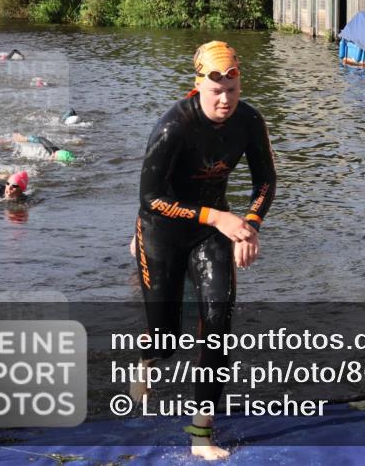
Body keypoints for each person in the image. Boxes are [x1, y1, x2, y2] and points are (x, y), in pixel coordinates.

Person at [131, 40, 276, 461]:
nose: (226, 100)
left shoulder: (249, 121)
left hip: (212, 232)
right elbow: (150, 198)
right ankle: (147, 357)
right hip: (161, 230)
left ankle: (201, 433)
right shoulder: (173, 126)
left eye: (232, 90)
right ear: (198, 87)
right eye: (216, 92)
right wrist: (219, 218)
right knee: (165, 338)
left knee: (217, 322)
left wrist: (248, 225)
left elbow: (265, 182)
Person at [11, 133, 76, 163]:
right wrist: (24, 139)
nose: (52, 157)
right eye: (53, 156)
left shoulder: (55, 156)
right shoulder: (52, 150)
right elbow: (41, 139)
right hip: (35, 139)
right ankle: (20, 137)